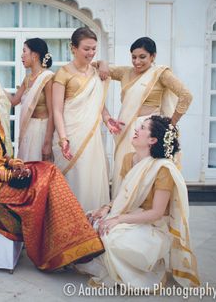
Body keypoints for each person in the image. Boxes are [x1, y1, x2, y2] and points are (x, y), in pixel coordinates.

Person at [0, 81, 104, 271]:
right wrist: (6, 175)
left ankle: (71, 242)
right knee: (39, 187)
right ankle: (57, 249)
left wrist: (13, 163)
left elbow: (0, 156)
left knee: (49, 170)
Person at [76, 116, 200, 289]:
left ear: (152, 140)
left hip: (152, 226)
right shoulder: (129, 159)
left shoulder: (163, 169)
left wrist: (118, 220)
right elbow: (122, 197)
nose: (136, 129)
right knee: (90, 221)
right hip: (129, 215)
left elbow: (156, 213)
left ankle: (142, 267)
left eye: (142, 127)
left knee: (111, 237)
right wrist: (106, 208)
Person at [95, 37, 193, 197]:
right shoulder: (125, 72)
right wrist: (103, 62)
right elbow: (93, 67)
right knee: (124, 168)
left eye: (142, 57)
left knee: (146, 171)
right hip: (126, 129)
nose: (137, 61)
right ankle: (122, 208)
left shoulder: (160, 74)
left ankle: (145, 211)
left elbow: (186, 95)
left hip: (148, 130)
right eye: (134, 57)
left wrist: (171, 124)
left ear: (153, 56)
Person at [52, 27, 119, 211]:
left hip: (92, 138)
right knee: (74, 180)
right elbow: (57, 110)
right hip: (70, 136)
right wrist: (63, 139)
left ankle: (91, 226)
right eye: (86, 48)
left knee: (92, 179)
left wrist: (107, 119)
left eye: (94, 49)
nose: (91, 53)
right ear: (73, 48)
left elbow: (99, 104)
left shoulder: (97, 72)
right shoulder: (63, 74)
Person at [7, 38, 54, 161]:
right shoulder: (27, 79)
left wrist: (48, 142)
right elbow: (13, 101)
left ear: (34, 55)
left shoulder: (47, 77)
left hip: (42, 131)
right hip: (28, 129)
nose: (22, 56)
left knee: (40, 172)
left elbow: (53, 112)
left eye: (24, 51)